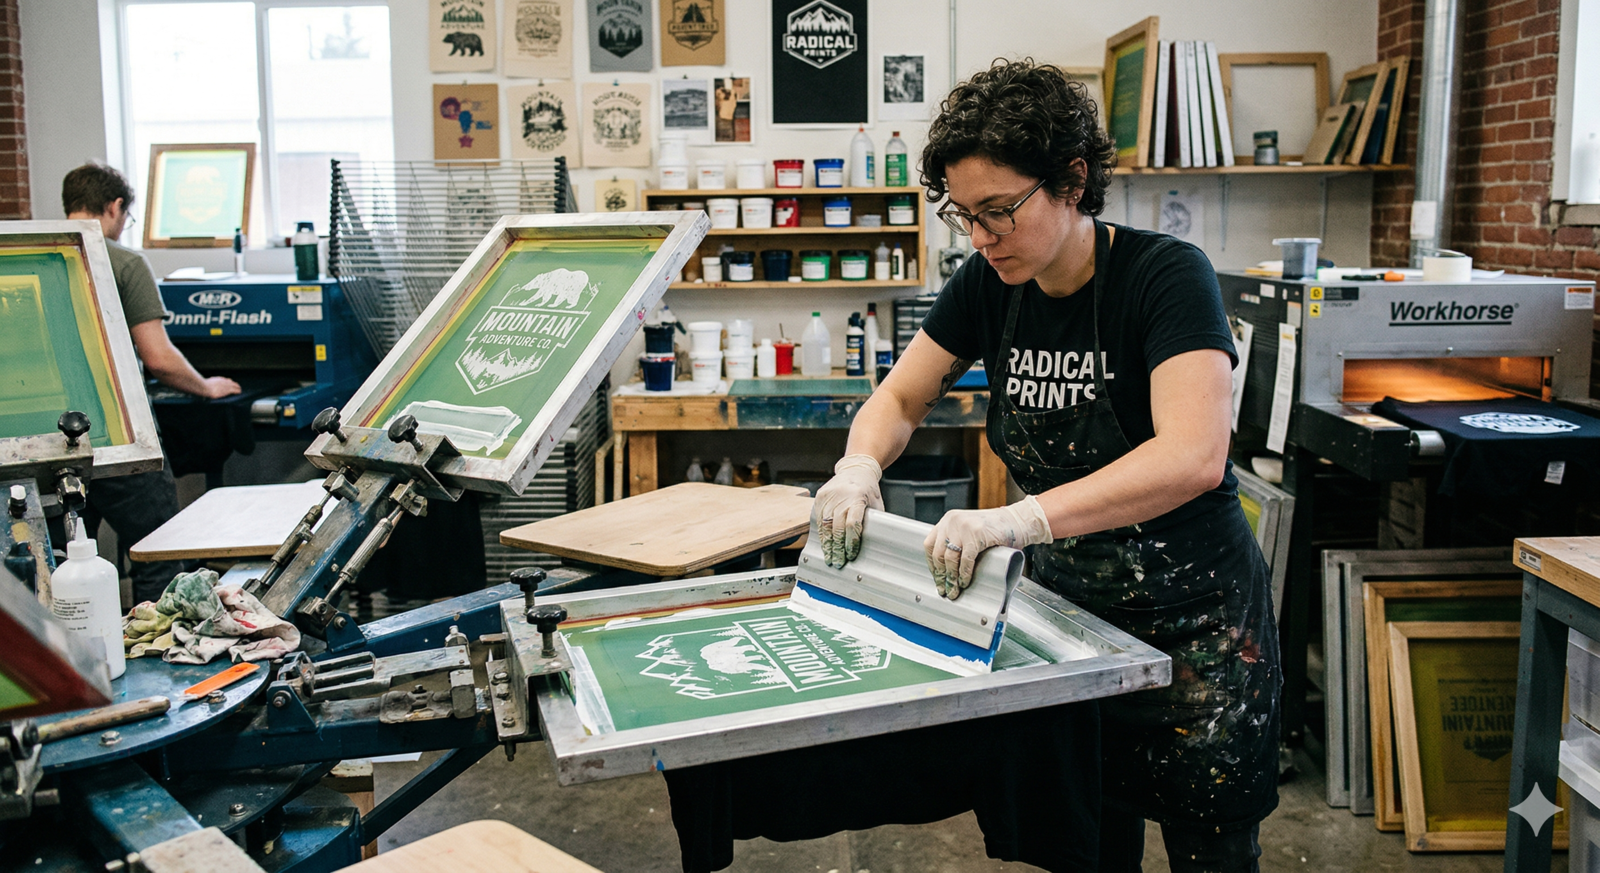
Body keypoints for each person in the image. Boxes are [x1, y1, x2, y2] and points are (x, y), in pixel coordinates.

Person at [812, 60, 1280, 872]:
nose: (983, 238)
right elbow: (899, 400)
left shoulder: (1165, 277)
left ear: (1073, 179)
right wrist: (857, 465)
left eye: (1000, 211)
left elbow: (1194, 455)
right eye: (965, 216)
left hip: (1195, 626)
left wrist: (1021, 517)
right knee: (1085, 840)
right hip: (1068, 627)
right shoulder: (989, 284)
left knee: (1211, 845)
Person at [61, 162, 241, 603]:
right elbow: (159, 359)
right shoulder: (120, 262)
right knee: (158, 551)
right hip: (114, 435)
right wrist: (205, 386)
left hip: (46, 443)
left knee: (55, 561)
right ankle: (155, 656)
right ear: (115, 206)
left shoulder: (29, 259)